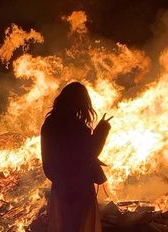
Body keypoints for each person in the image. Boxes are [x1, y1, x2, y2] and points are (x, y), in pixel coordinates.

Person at [41, 82, 112, 232]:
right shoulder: (76, 126)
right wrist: (102, 129)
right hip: (80, 185)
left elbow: (49, 158)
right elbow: (90, 152)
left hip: (61, 185)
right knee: (80, 225)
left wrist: (58, 178)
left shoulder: (50, 123)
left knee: (66, 225)